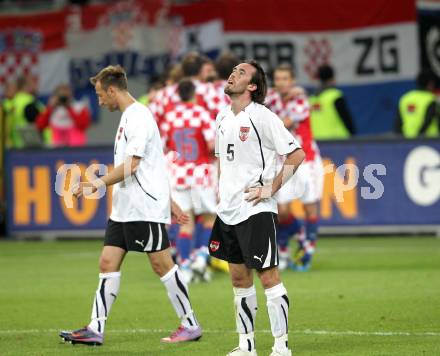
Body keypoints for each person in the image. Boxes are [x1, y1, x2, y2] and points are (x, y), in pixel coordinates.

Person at [59, 65, 202, 346]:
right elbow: (155, 163)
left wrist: (95, 184)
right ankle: (95, 328)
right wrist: (171, 200)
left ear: (112, 90)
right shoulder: (129, 117)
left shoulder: (139, 117)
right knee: (107, 261)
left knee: (161, 264)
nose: (99, 100)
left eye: (100, 94)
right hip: (125, 207)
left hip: (143, 207)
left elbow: (134, 165)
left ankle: (190, 324)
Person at [209, 60, 305, 356]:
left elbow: (296, 154)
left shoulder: (262, 116)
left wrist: (271, 188)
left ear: (252, 86)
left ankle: (281, 347)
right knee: (238, 278)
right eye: (233, 70)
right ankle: (246, 346)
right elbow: (221, 160)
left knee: (268, 277)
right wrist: (220, 190)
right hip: (228, 209)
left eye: (240, 72)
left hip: (256, 209)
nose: (232, 74)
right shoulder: (222, 117)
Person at [266, 64, 324, 271]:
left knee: (310, 207)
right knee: (281, 210)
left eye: (285, 79)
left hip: (306, 160)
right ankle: (297, 235)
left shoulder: (300, 99)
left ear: (292, 81)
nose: (280, 82)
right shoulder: (272, 98)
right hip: (285, 161)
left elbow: (284, 124)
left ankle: (307, 250)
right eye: (277, 78)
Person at [161, 78, 217, 282]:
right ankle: (201, 259)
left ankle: (184, 267)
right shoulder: (201, 113)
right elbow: (212, 145)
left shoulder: (170, 117)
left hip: (178, 174)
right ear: (194, 94)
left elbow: (163, 147)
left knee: (186, 223)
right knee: (210, 218)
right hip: (200, 172)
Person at [309, 64, 356, 139]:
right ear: (333, 79)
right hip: (337, 141)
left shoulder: (311, 99)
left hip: (317, 141)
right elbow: (347, 120)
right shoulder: (335, 96)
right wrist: (353, 135)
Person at [395, 70, 439, 137]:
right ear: (431, 84)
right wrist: (418, 137)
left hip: (407, 141)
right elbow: (428, 121)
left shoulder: (405, 98)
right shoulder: (432, 99)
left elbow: (397, 124)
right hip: (430, 141)